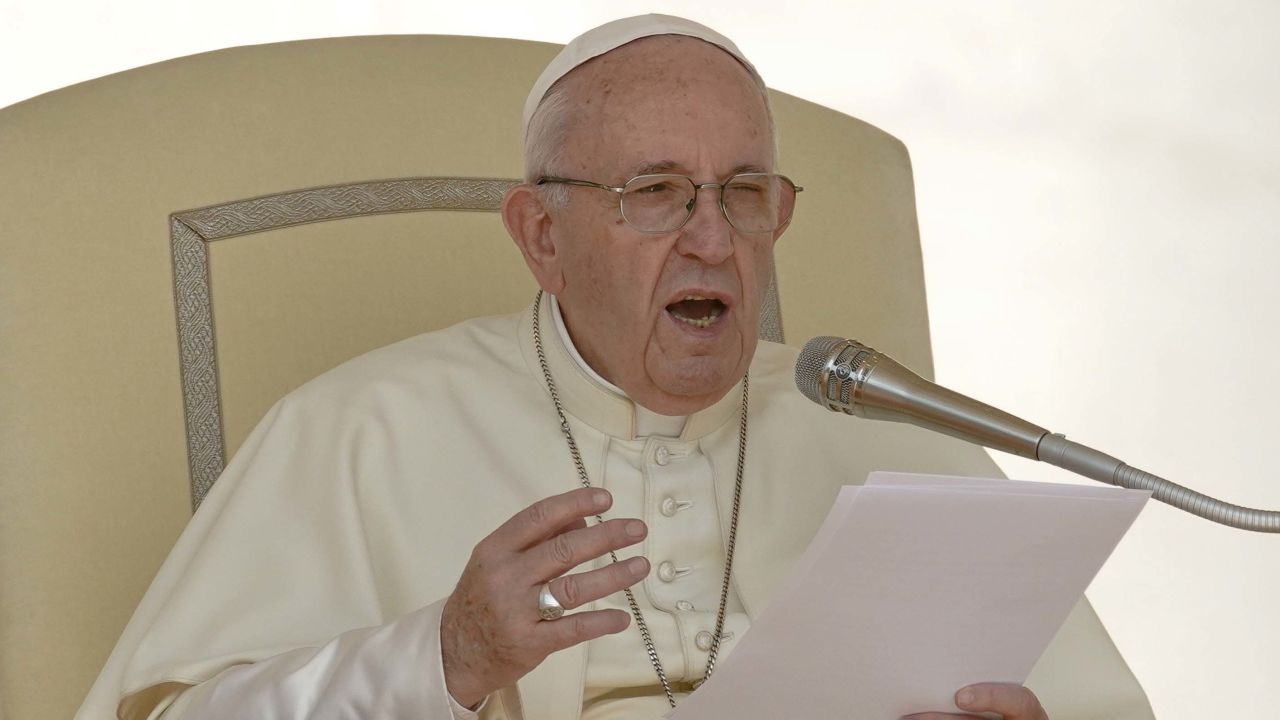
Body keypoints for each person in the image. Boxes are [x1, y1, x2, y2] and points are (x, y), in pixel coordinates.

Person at [78, 14, 1154, 720]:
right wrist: (439, 658)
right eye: (653, 192)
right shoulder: (361, 425)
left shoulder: (882, 432)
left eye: (742, 192)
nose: (711, 239)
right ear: (539, 235)